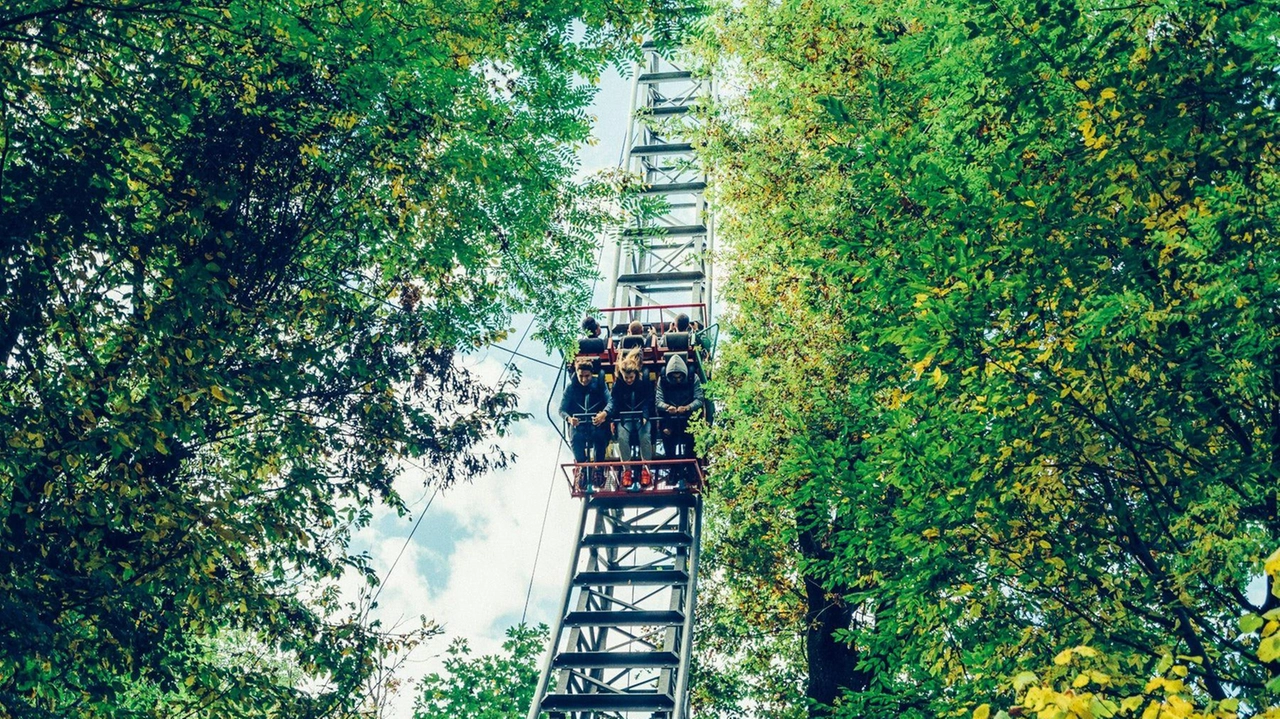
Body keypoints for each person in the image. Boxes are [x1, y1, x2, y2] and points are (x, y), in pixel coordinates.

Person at [559, 358, 612, 488]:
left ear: (591, 374)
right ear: (576, 374)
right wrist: (569, 419)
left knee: (600, 437)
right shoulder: (571, 388)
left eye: (587, 376)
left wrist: (604, 413)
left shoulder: (599, 384)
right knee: (575, 438)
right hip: (580, 425)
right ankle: (582, 466)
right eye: (581, 376)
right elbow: (562, 409)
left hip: (596, 423)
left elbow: (610, 401)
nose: (584, 380)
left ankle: (598, 467)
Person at [655, 353, 704, 484]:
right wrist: (667, 407)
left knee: (692, 437)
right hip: (670, 418)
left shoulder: (693, 377)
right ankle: (673, 468)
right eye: (674, 377)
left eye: (680, 377)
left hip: (689, 416)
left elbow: (700, 398)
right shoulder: (663, 379)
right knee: (667, 436)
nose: (677, 380)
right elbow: (658, 400)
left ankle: (690, 468)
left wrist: (688, 407)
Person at [610, 349, 654, 490]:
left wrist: (645, 415)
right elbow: (614, 402)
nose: (628, 380)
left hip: (641, 417)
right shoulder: (618, 385)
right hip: (625, 417)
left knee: (645, 437)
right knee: (622, 437)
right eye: (626, 377)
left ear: (636, 374)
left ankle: (646, 469)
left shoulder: (643, 383)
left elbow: (649, 399)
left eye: (631, 377)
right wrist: (613, 419)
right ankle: (626, 470)